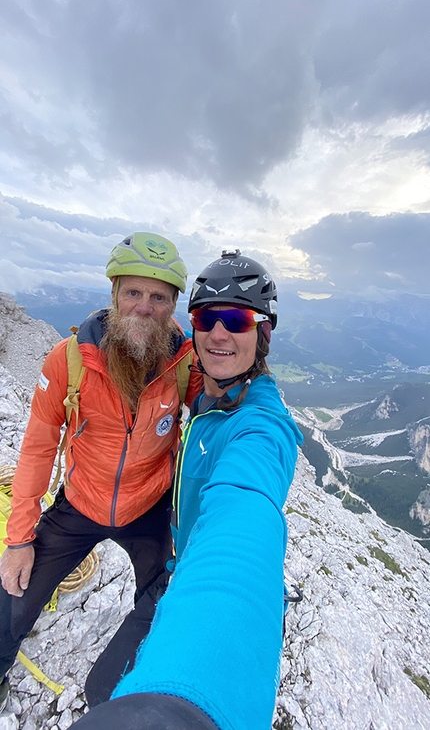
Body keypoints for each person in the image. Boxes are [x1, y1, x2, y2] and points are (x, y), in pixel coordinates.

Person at [74, 249, 303, 730]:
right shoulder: (204, 395)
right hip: (174, 565)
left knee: (105, 692)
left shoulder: (260, 427)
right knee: (100, 688)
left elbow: (243, 514)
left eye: (237, 318)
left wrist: (182, 710)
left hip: (199, 578)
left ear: (261, 333)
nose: (219, 332)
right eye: (207, 317)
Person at [0, 231, 202, 713]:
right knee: (12, 599)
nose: (144, 307)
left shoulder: (184, 363)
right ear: (113, 295)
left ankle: (120, 700)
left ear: (172, 305)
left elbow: (223, 405)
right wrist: (19, 538)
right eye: (133, 292)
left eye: (158, 297)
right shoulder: (70, 361)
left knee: (161, 605)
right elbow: (38, 449)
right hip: (80, 504)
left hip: (148, 510)